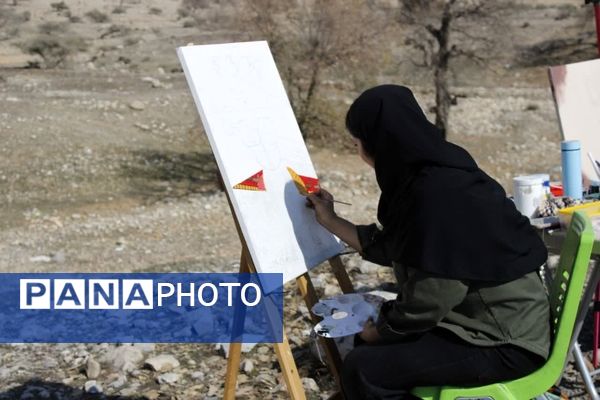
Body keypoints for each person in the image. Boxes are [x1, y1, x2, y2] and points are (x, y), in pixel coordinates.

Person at [306, 85, 551, 399]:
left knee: (363, 369)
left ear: (378, 142)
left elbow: (433, 295)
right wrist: (331, 220)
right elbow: (399, 246)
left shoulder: (437, 195)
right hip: (491, 324)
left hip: (502, 341)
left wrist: (381, 331)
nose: (359, 152)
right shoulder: (432, 175)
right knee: (363, 354)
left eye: (357, 143)